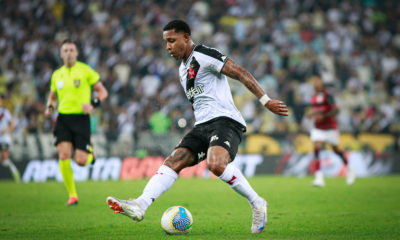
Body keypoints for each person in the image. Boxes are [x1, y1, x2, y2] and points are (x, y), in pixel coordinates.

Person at [106, 19, 288, 234]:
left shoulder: (203, 54)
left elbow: (239, 72)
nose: (168, 47)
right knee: (174, 160)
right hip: (202, 125)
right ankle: (140, 204)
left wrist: (265, 100)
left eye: (172, 41)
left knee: (215, 164)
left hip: (226, 120)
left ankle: (257, 202)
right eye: (166, 42)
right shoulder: (182, 70)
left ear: (186, 38)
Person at [45, 39, 108, 205]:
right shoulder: (56, 74)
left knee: (80, 161)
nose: (68, 53)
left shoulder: (85, 70)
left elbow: (103, 92)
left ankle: (90, 154)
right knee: (64, 155)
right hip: (63, 118)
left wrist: (92, 104)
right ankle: (72, 195)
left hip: (81, 119)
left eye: (71, 50)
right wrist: (49, 109)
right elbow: (52, 98)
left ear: (77, 53)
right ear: (61, 54)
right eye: (65, 50)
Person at [309, 75, 355, 187]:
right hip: (318, 128)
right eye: (314, 81)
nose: (315, 83)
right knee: (317, 147)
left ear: (321, 82)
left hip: (330, 127)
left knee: (336, 150)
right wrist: (311, 115)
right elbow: (316, 111)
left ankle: (349, 169)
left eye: (317, 80)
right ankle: (319, 178)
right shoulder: (313, 97)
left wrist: (323, 116)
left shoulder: (327, 96)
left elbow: (336, 110)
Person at [0, 95, 20, 183]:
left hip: (4, 138)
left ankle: (15, 172)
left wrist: (6, 130)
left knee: (5, 159)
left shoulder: (5, 112)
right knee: (3, 161)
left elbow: (12, 125)